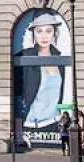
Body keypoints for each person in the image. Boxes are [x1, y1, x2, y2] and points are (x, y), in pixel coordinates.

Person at [14, 11, 69, 139]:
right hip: (31, 126)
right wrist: (18, 133)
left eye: (48, 31)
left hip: (55, 124)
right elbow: (18, 96)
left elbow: (60, 95)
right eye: (39, 31)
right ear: (33, 33)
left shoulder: (59, 59)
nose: (44, 36)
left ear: (55, 33)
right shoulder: (25, 57)